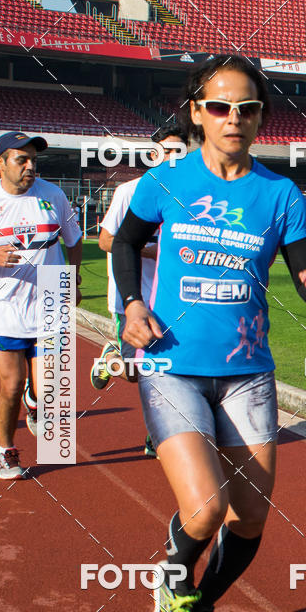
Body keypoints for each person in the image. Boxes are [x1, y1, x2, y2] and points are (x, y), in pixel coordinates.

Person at [112, 54, 306, 612]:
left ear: (261, 117)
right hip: (171, 363)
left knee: (249, 520)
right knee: (207, 507)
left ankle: (200, 601)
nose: (232, 118)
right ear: (197, 113)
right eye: (219, 106)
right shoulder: (167, 182)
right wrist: (133, 305)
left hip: (247, 374)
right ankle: (174, 586)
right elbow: (128, 242)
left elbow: (304, 275)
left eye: (247, 108)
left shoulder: (280, 194)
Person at [0, 132, 82, 479]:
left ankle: (36, 402)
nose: (30, 166)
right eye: (21, 160)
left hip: (50, 299)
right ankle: (6, 451)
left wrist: (74, 280)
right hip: (3, 305)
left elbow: (74, 240)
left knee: (51, 388)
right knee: (10, 385)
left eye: (33, 160)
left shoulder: (53, 195)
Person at [90, 123, 188, 459]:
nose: (173, 159)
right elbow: (106, 241)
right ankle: (113, 359)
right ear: (153, 155)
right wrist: (152, 251)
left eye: (180, 152)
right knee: (136, 372)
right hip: (132, 298)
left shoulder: (192, 195)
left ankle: (156, 434)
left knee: (171, 370)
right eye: (167, 151)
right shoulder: (130, 191)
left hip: (174, 298)